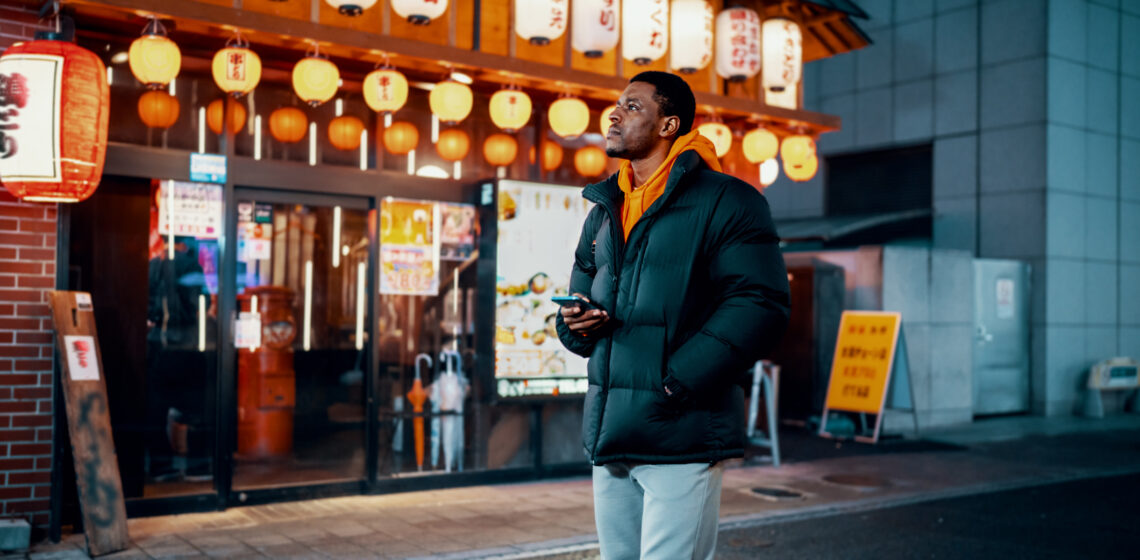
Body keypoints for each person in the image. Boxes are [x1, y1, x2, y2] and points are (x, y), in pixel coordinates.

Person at [556, 71, 791, 560]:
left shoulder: (729, 200)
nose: (615, 114)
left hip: (683, 428)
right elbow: (580, 292)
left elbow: (760, 304)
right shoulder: (604, 208)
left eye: (634, 106)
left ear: (669, 125)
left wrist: (675, 381)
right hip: (612, 430)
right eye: (616, 104)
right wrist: (575, 325)